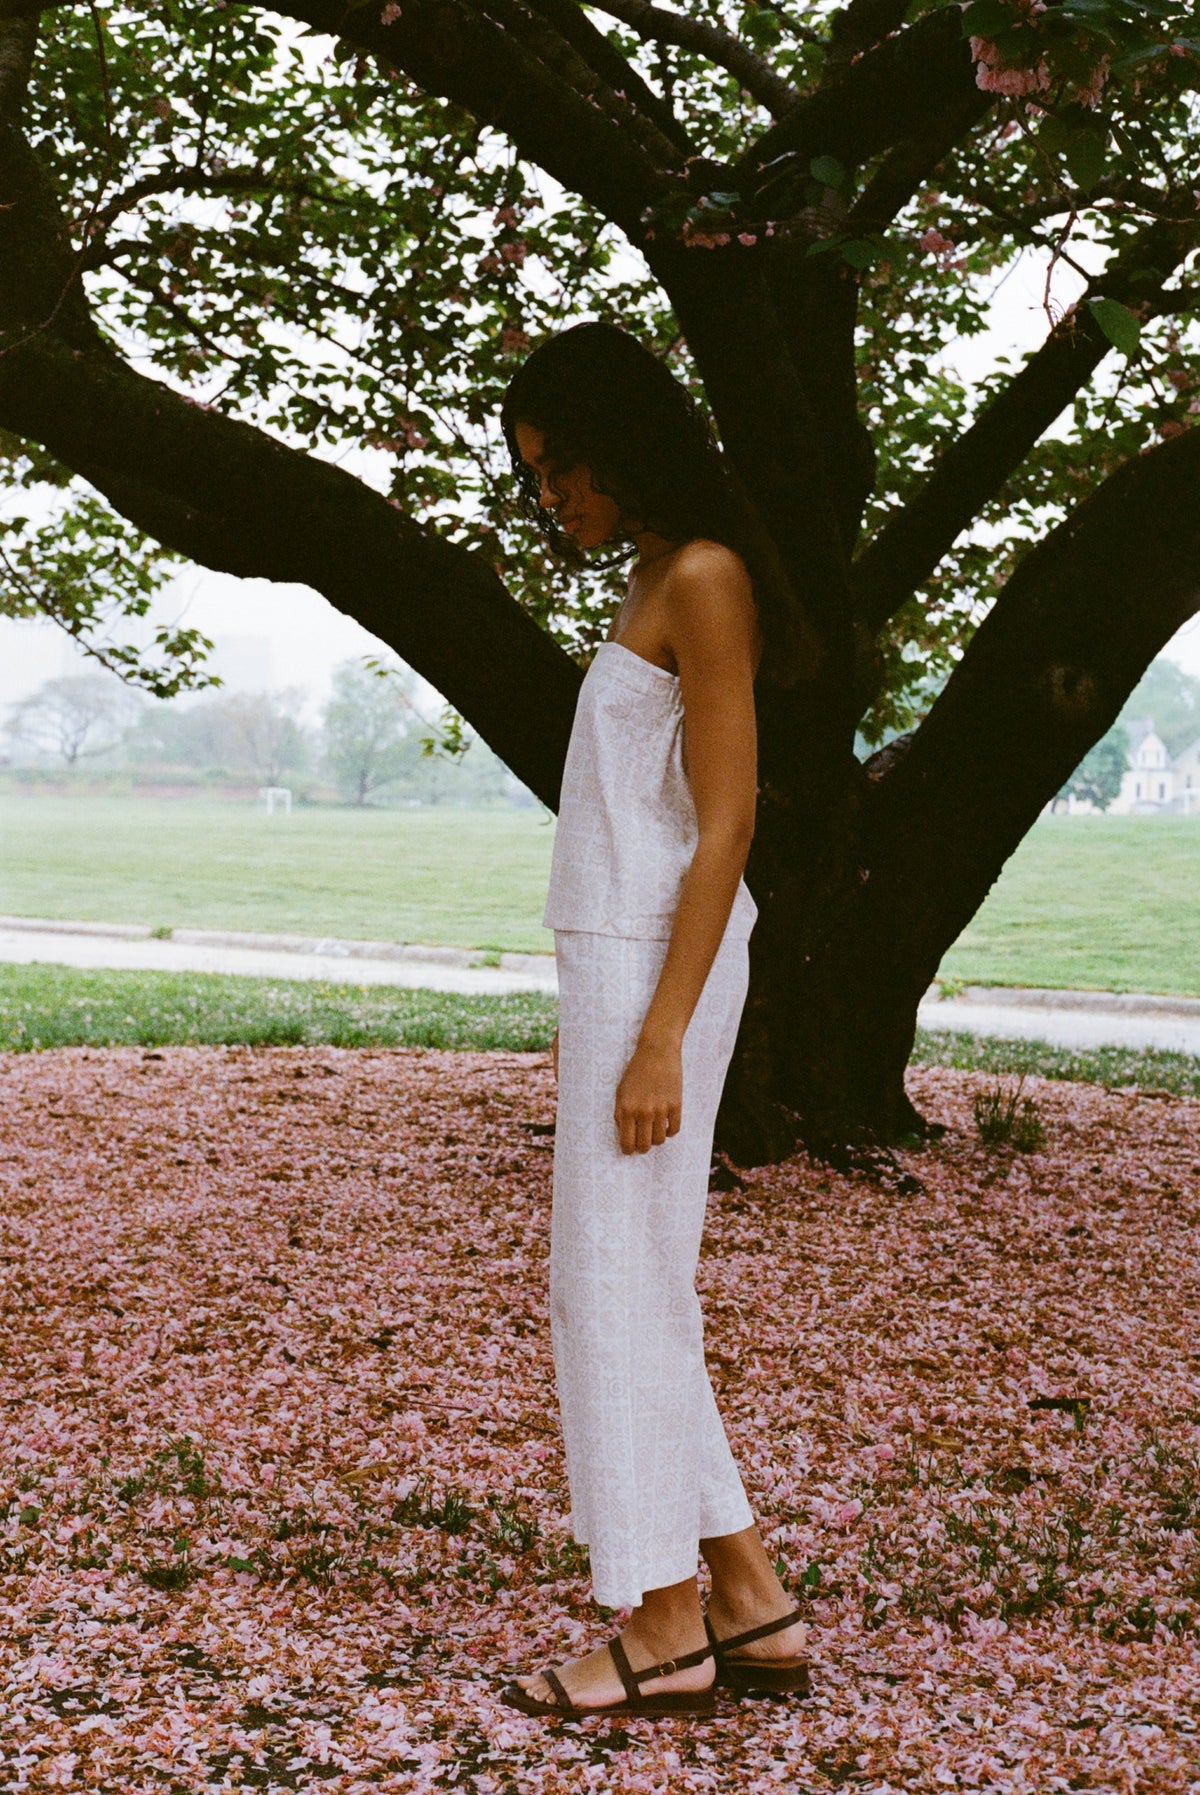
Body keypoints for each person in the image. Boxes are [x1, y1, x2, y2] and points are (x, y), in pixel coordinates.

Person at [496, 321, 809, 1720]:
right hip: (618, 961)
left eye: (563, 468)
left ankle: (665, 1622)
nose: (553, 497)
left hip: (653, 969)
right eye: (536, 476)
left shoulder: (705, 577)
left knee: (612, 1288)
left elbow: (730, 817)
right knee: (634, 1283)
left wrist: (665, 1031)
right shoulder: (655, 576)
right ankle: (745, 1593)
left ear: (627, 441)